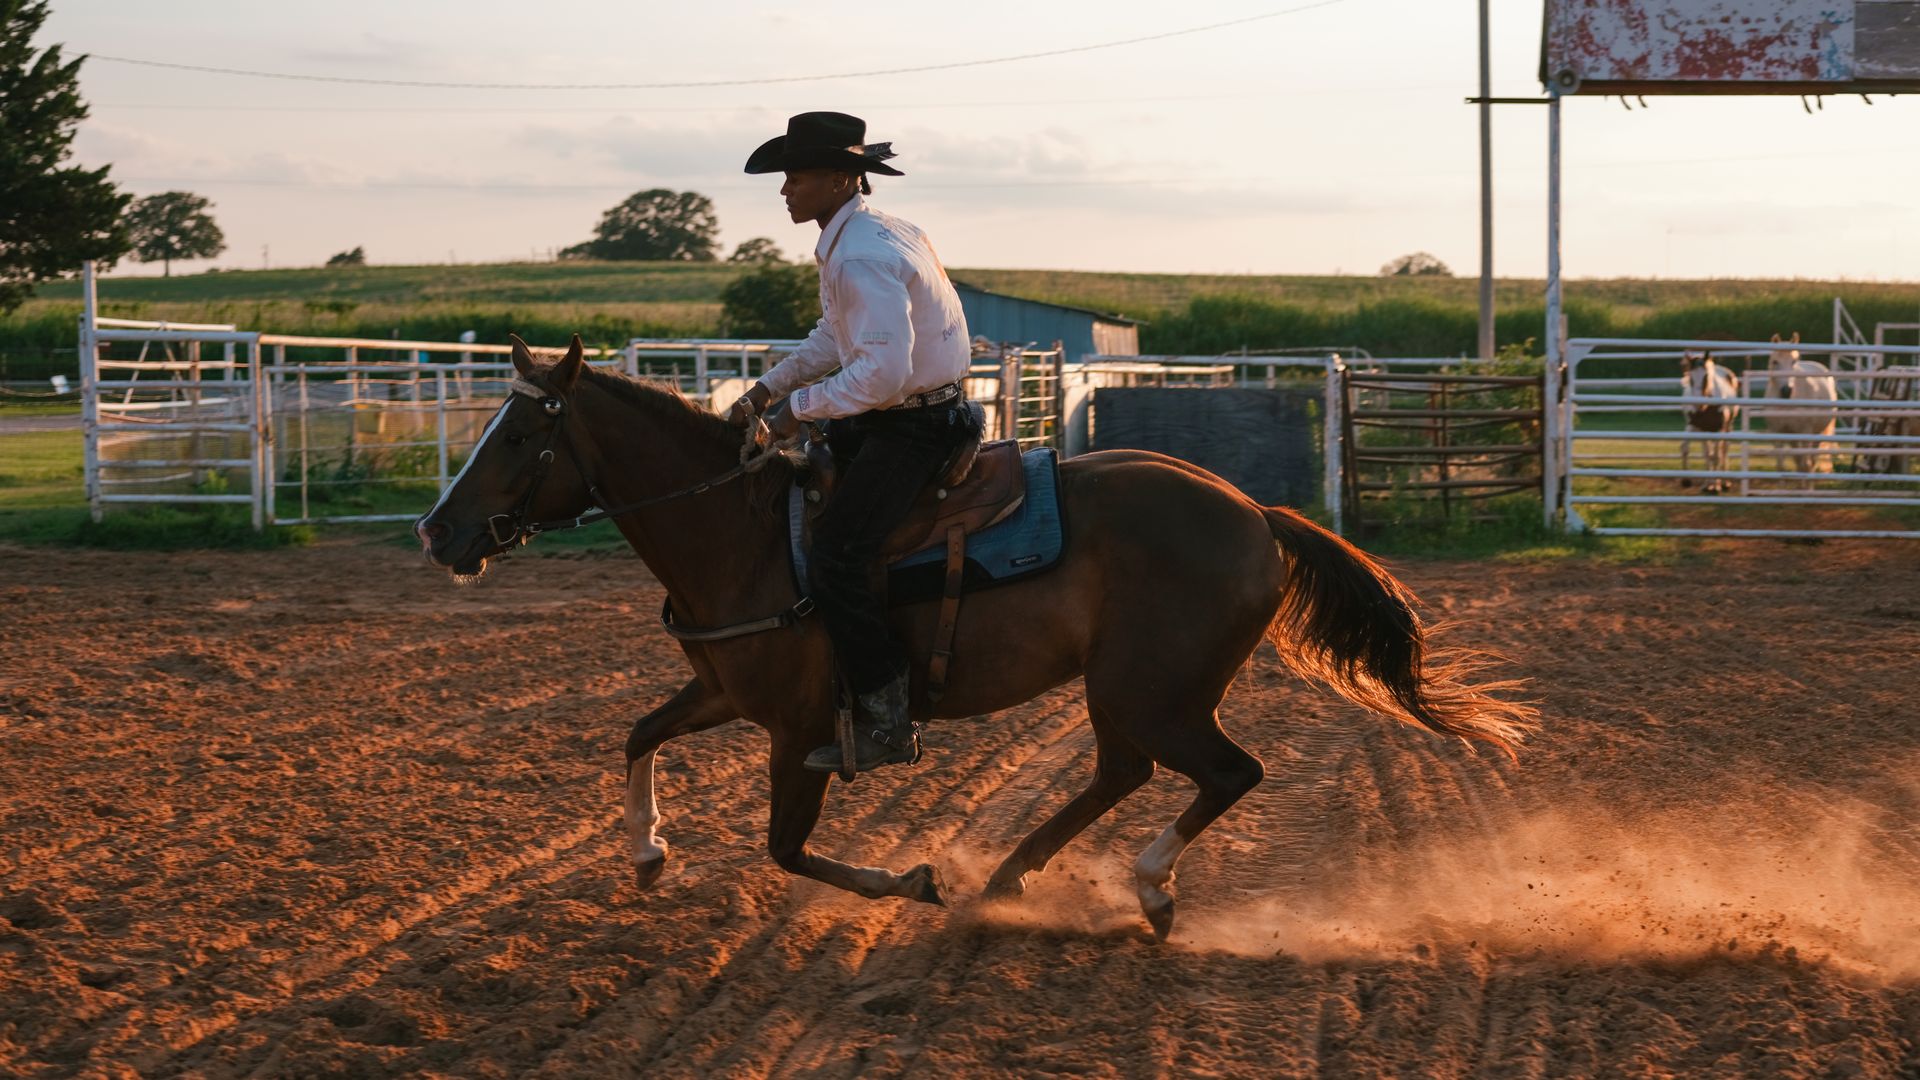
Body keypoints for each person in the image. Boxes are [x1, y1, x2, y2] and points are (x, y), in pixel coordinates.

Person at [728, 112, 976, 775]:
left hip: (911, 425)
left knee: (837, 552)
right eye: (785, 179)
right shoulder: (874, 233)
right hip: (913, 412)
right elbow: (837, 339)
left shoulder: (863, 253)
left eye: (797, 177)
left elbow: (882, 373)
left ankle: (890, 722)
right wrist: (766, 390)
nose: (785, 191)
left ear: (841, 179)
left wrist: (793, 411)